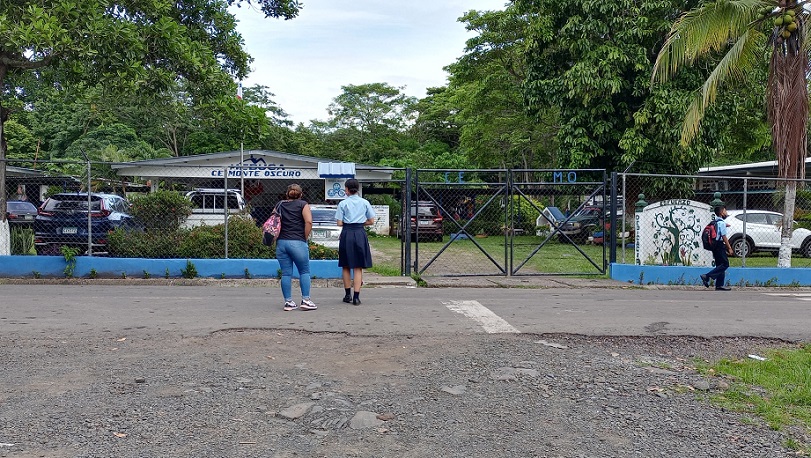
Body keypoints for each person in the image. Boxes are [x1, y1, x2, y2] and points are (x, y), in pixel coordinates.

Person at [275, 184, 317, 311]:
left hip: (281, 243)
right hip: (297, 242)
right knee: (304, 271)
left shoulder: (280, 205)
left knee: (286, 273)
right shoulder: (303, 204)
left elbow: (274, 220)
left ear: (287, 194)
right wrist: (303, 237)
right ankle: (306, 300)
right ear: (301, 194)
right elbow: (309, 222)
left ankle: (288, 302)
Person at [335, 178, 375, 305]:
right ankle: (357, 297)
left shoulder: (343, 204)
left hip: (347, 233)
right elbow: (371, 221)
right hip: (360, 232)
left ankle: (348, 295)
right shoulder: (365, 202)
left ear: (346, 189)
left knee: (346, 265)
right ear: (357, 189)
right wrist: (360, 222)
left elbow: (339, 222)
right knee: (358, 266)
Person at [701, 205, 734, 291]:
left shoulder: (715, 222)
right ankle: (707, 276)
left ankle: (719, 285)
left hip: (714, 246)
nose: (726, 213)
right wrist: (729, 248)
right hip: (719, 245)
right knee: (725, 264)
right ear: (721, 212)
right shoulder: (721, 223)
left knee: (720, 265)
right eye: (725, 211)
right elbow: (724, 237)